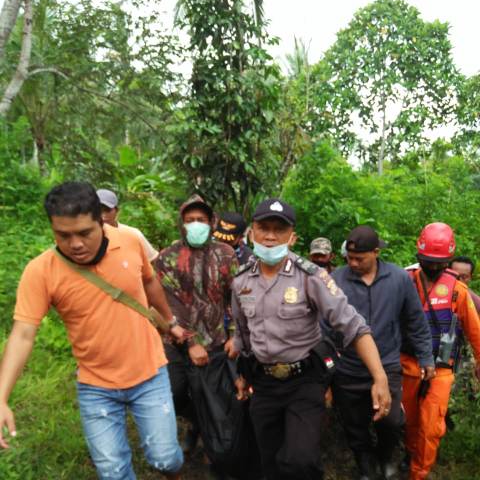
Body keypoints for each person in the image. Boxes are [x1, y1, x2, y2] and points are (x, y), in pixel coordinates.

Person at [0, 182, 184, 480]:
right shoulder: (41, 271)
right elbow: (22, 334)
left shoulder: (130, 240)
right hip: (96, 386)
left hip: (149, 372)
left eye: (84, 233)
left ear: (102, 221)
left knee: (165, 459)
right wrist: (1, 397)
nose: (75, 244)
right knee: (112, 473)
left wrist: (170, 321)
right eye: (63, 235)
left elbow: (150, 282)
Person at [232, 198, 392, 480]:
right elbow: (243, 333)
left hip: (303, 381)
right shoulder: (241, 281)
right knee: (269, 461)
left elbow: (354, 326)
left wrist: (379, 377)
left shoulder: (311, 277)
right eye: (263, 228)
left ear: (292, 237)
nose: (270, 236)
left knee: (300, 460)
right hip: (263, 382)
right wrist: (242, 375)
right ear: (251, 233)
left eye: (279, 230)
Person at [331, 225, 434, 480]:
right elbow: (324, 325)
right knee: (354, 423)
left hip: (387, 364)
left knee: (390, 420)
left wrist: (426, 357)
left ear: (376, 253)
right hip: (348, 366)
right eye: (349, 258)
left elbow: (415, 321)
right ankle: (366, 466)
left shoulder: (398, 279)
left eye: (359, 258)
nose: (353, 263)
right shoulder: (336, 279)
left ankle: (385, 455)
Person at [154, 195, 239, 456]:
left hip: (215, 341)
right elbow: (167, 304)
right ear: (181, 224)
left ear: (212, 222)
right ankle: (196, 423)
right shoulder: (167, 257)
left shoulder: (224, 254)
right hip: (176, 342)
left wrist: (234, 334)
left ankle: (216, 451)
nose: (195, 224)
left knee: (215, 398)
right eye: (189, 220)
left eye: (201, 220)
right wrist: (190, 342)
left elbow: (235, 297)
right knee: (174, 393)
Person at [401, 222, 480, 480]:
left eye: (439, 263)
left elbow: (475, 330)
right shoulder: (404, 281)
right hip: (407, 364)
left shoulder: (457, 290)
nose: (433, 267)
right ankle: (410, 455)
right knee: (409, 421)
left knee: (431, 425)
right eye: (428, 261)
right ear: (419, 256)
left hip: (441, 369)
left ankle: (419, 473)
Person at [97, 188, 159, 262]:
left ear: (117, 211)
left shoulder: (133, 234)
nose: (103, 216)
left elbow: (153, 259)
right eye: (98, 210)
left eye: (107, 210)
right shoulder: (87, 237)